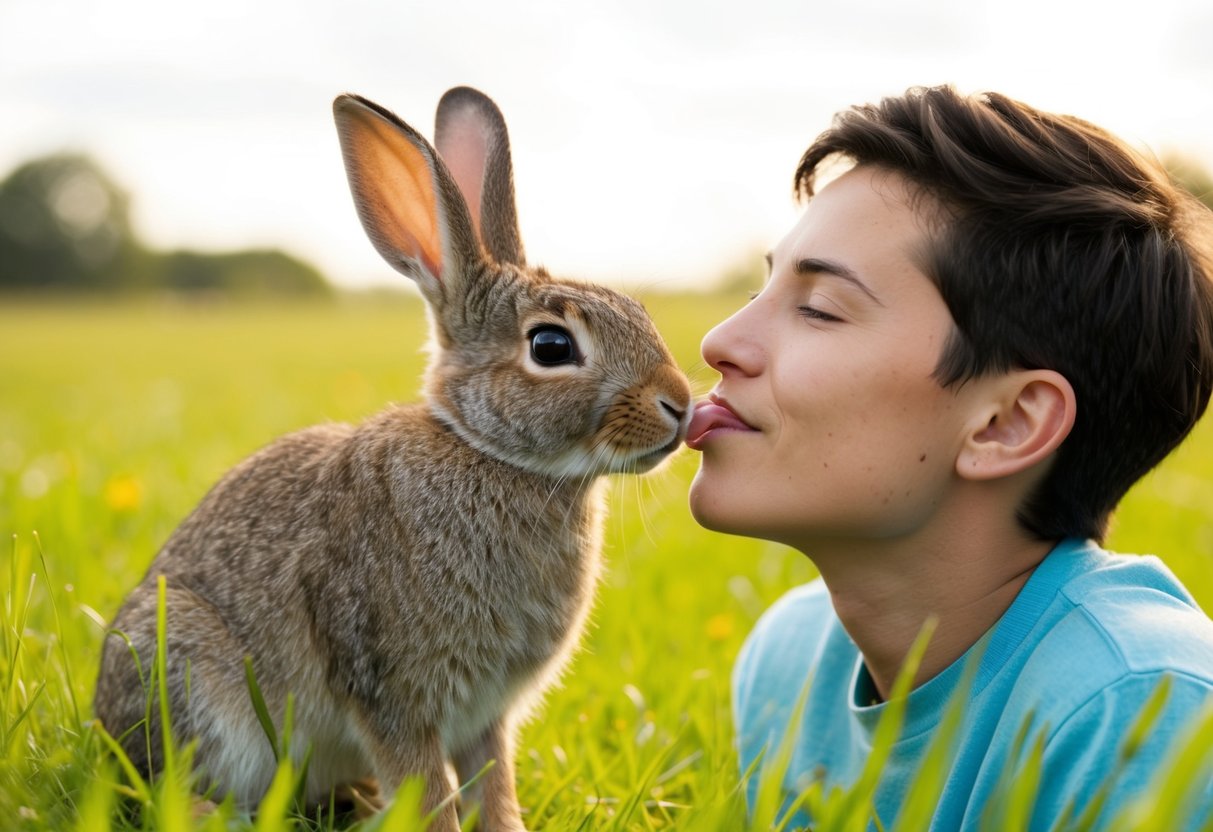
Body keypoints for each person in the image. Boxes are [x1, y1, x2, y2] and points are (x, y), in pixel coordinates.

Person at [684, 85, 1213, 830]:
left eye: (818, 309)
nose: (719, 342)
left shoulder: (1142, 718)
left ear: (1004, 423)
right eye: (757, 288)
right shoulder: (788, 659)